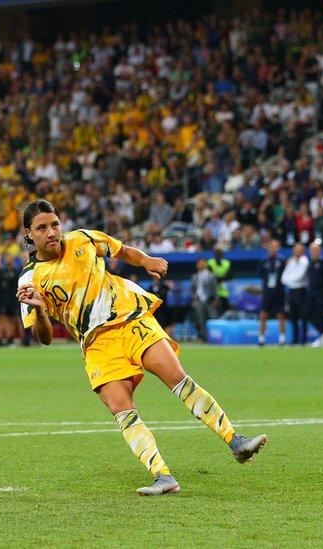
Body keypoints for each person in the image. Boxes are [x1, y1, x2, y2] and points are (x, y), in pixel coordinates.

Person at [16, 199, 266, 496]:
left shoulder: (83, 239)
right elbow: (43, 337)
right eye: (42, 228)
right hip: (97, 343)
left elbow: (122, 251)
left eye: (54, 224)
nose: (51, 233)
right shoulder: (30, 280)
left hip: (129, 317)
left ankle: (235, 440)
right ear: (29, 234)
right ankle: (163, 476)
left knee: (178, 377)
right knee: (121, 409)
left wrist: (146, 260)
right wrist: (41, 310)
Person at [257, 239, 286, 346]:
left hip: (279, 292)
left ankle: (282, 339)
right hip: (267, 292)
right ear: (268, 248)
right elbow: (260, 274)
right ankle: (261, 339)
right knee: (263, 315)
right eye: (271, 247)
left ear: (278, 248)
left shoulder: (282, 261)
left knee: (281, 315)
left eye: (275, 246)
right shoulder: (263, 261)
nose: (273, 249)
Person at [281, 243, 310, 345]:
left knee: (303, 316)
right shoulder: (291, 261)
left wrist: (290, 279)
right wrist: (291, 280)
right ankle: (295, 339)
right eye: (295, 250)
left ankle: (304, 339)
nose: (296, 252)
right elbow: (283, 277)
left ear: (302, 251)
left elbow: (300, 275)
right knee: (293, 316)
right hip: (291, 291)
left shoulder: (305, 261)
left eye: (299, 250)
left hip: (301, 290)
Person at [306, 241, 323, 346]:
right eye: (312, 250)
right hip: (311, 293)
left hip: (321, 293)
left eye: (316, 250)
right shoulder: (309, 263)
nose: (314, 252)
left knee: (320, 314)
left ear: (319, 251)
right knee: (308, 314)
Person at [190, 258, 217, 342]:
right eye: (199, 263)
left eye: (202, 263)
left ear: (205, 264)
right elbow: (192, 289)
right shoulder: (194, 276)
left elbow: (215, 289)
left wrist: (216, 300)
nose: (201, 265)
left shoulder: (211, 275)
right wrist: (194, 298)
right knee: (200, 319)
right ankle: (204, 337)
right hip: (199, 301)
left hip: (209, 300)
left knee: (213, 318)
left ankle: (213, 336)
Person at [207, 247, 231, 313]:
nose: (218, 255)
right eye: (216, 253)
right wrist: (219, 278)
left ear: (222, 254)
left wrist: (221, 278)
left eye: (220, 253)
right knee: (213, 308)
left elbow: (229, 275)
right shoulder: (210, 262)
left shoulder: (227, 263)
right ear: (214, 254)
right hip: (212, 289)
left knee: (225, 308)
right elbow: (210, 275)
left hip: (223, 289)